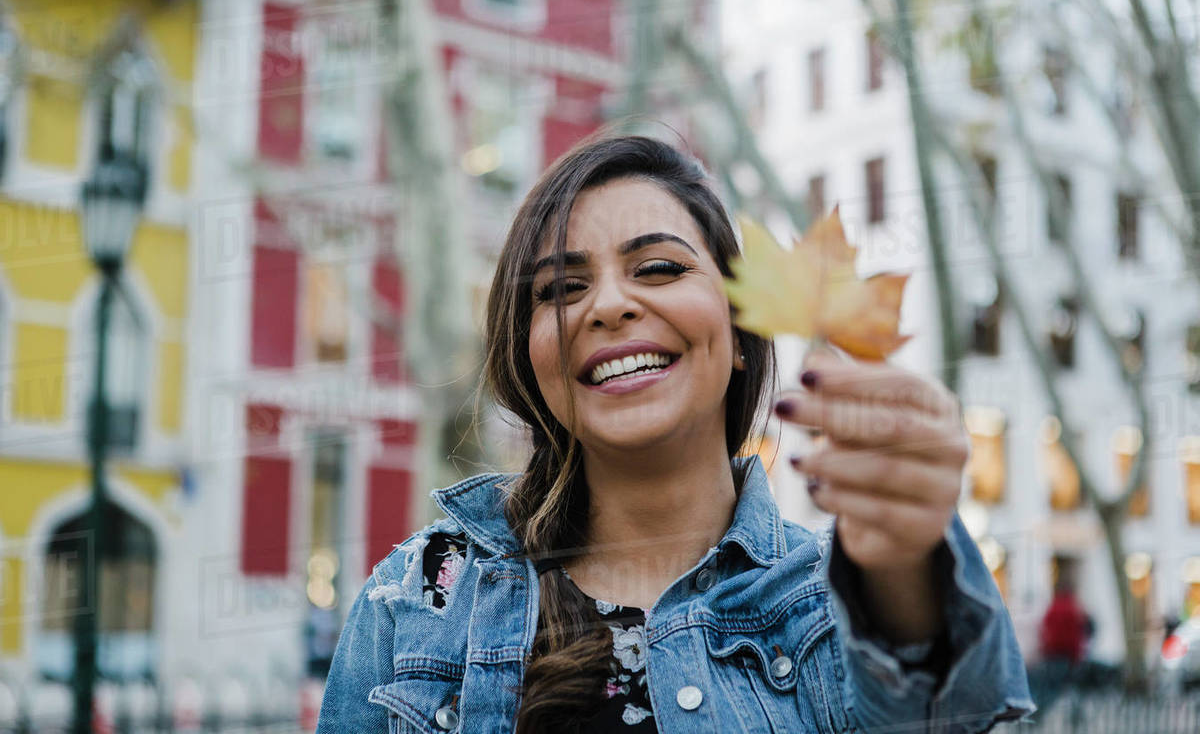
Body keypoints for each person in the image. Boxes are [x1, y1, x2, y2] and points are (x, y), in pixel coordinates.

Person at [317, 135, 1034, 732]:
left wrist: (908, 576)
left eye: (657, 268)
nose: (608, 305)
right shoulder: (419, 596)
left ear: (741, 331)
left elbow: (950, 711)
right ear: (531, 361)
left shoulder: (837, 606)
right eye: (561, 289)